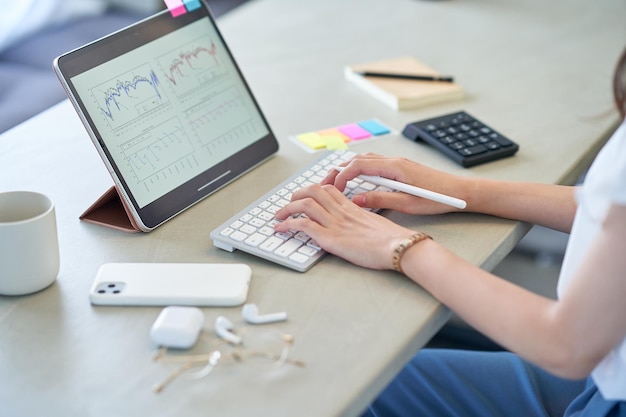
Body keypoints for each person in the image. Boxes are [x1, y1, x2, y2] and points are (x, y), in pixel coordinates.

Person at [274, 45, 626, 416]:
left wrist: (398, 244)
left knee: (344, 388)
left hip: (603, 387)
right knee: (374, 383)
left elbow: (565, 347)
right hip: (607, 366)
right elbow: (605, 209)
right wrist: (462, 191)